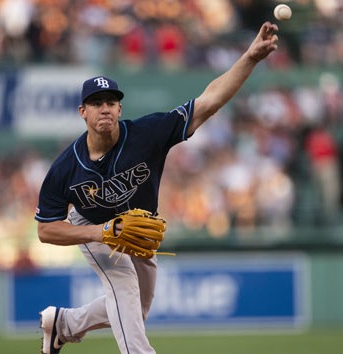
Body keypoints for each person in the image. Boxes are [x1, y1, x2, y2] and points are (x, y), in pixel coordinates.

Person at [35, 21, 279, 354]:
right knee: (124, 289)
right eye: (96, 102)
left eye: (110, 101)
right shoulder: (65, 168)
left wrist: (250, 57)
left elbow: (209, 102)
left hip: (139, 229)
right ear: (83, 112)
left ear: (120, 108)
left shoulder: (147, 133)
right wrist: (99, 232)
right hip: (93, 227)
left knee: (138, 309)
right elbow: (46, 230)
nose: (104, 107)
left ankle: (64, 324)